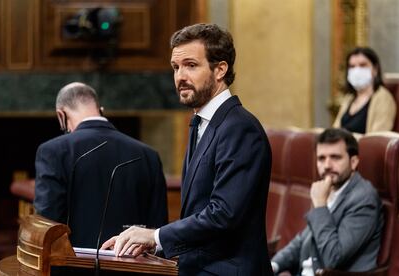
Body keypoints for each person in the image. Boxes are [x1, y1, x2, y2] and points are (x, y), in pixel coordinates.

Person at [101, 23, 273, 275]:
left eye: (191, 65)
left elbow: (223, 215)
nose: (180, 76)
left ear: (220, 70)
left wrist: (156, 237)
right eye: (176, 67)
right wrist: (151, 245)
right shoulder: (201, 123)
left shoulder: (240, 128)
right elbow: (198, 211)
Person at [34, 82, 168, 248]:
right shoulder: (149, 155)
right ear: (101, 110)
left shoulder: (53, 151)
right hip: (135, 266)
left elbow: (47, 223)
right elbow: (157, 227)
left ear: (61, 115)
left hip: (74, 266)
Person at [271, 128, 383, 275]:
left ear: (354, 162)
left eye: (335, 157)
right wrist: (273, 265)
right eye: (321, 158)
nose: (327, 165)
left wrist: (320, 206)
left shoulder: (364, 199)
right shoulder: (329, 189)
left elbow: (333, 257)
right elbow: (303, 240)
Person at [333, 47, 396, 134]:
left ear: (375, 70)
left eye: (363, 65)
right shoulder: (349, 98)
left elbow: (377, 138)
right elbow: (335, 131)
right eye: (352, 66)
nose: (356, 70)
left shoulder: (383, 98)